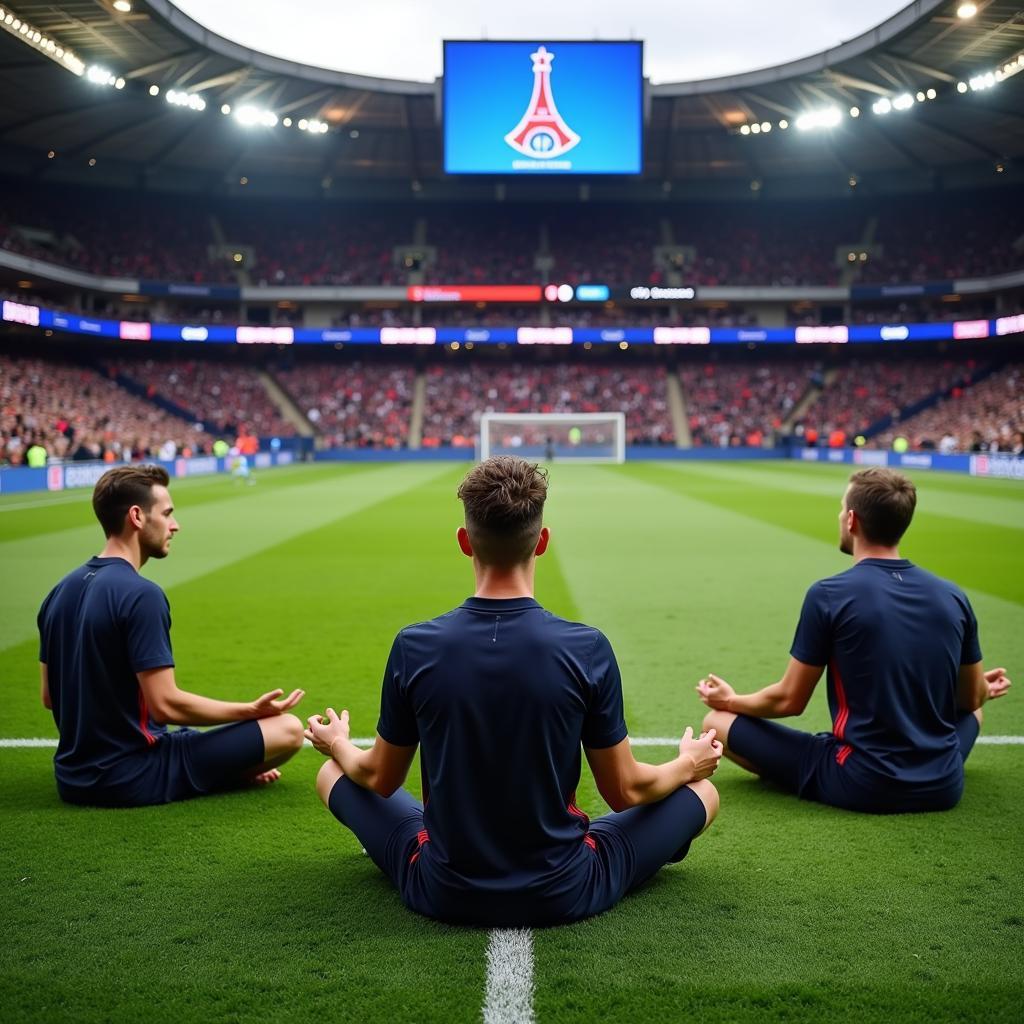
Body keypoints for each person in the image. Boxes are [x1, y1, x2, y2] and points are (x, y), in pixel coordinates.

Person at [307, 456, 722, 927]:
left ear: (464, 542)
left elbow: (379, 779)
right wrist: (688, 762)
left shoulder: (414, 646)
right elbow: (625, 791)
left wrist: (337, 741)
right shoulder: (586, 648)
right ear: (542, 541)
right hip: (565, 889)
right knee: (703, 793)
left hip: (443, 890)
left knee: (330, 774)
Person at [698, 467, 1011, 814]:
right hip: (943, 784)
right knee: (978, 710)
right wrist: (979, 688)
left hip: (862, 782)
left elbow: (790, 701)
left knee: (716, 724)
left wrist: (731, 700)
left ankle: (795, 773)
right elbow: (968, 701)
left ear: (851, 520)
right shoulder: (953, 596)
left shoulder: (829, 594)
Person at [38, 465, 305, 807]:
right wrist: (249, 710)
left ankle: (225, 767)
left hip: (72, 778)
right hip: (130, 776)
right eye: (166, 514)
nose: (175, 525)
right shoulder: (141, 594)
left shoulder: (59, 591)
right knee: (289, 729)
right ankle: (226, 772)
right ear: (136, 516)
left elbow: (49, 697)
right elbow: (164, 705)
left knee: (198, 741)